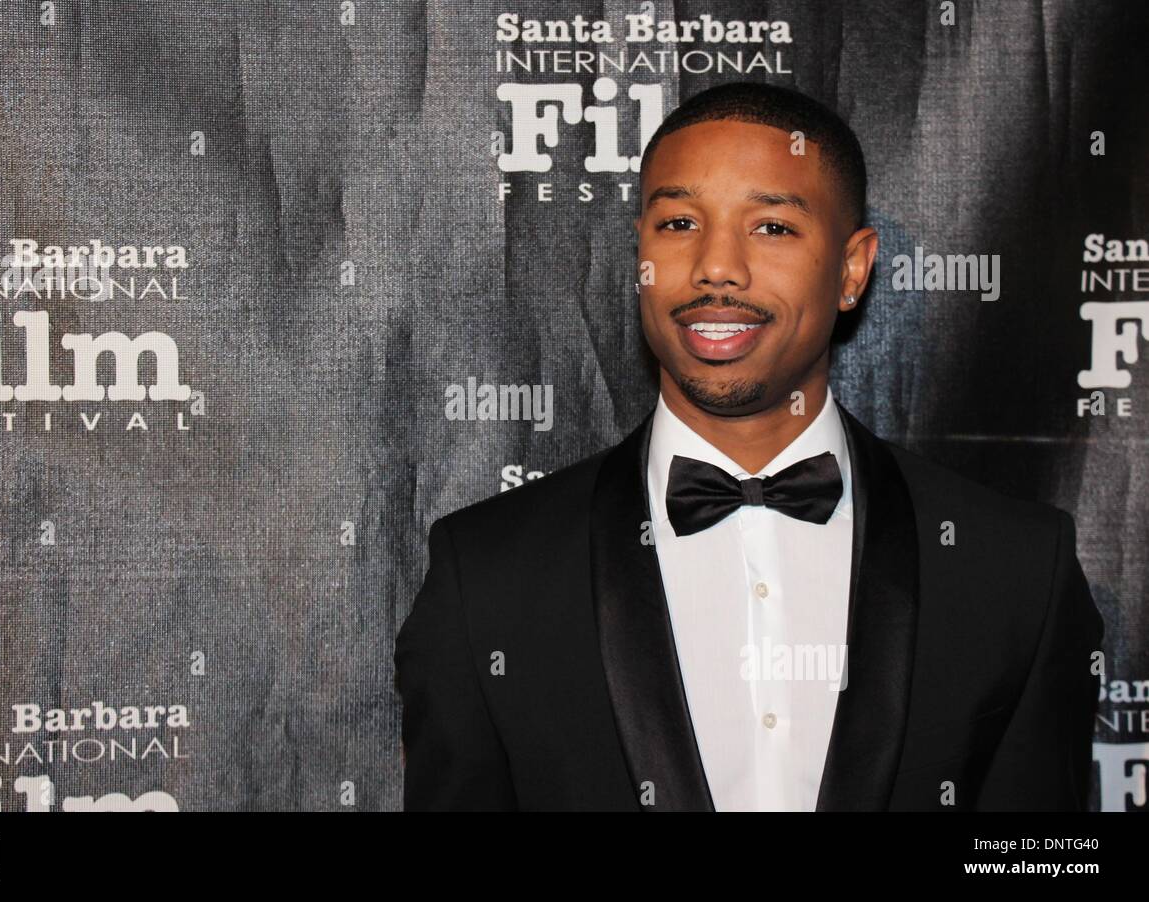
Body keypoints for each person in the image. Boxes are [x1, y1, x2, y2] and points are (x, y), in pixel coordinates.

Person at [393, 81, 1104, 811]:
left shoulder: (1014, 569)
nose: (716, 267)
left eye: (772, 227)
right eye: (677, 222)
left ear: (853, 270)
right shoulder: (485, 578)